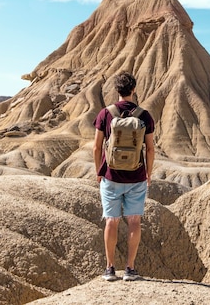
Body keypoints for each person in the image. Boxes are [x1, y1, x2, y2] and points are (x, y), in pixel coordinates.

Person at [93, 71, 155, 282]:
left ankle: (110, 269)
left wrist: (99, 172)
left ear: (116, 90)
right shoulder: (144, 115)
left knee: (111, 221)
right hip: (137, 176)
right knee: (134, 221)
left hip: (111, 176)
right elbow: (150, 149)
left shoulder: (105, 113)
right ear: (134, 89)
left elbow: (96, 147)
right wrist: (148, 173)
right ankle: (130, 269)